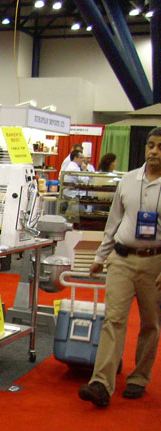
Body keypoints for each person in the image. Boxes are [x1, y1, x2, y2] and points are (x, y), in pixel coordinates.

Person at [78, 127, 161, 407]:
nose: (154, 151)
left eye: (160, 147)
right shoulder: (128, 180)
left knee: (150, 324)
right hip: (121, 258)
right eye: (150, 145)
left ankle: (139, 378)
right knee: (113, 320)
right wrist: (100, 257)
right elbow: (113, 222)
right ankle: (101, 383)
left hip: (155, 262)